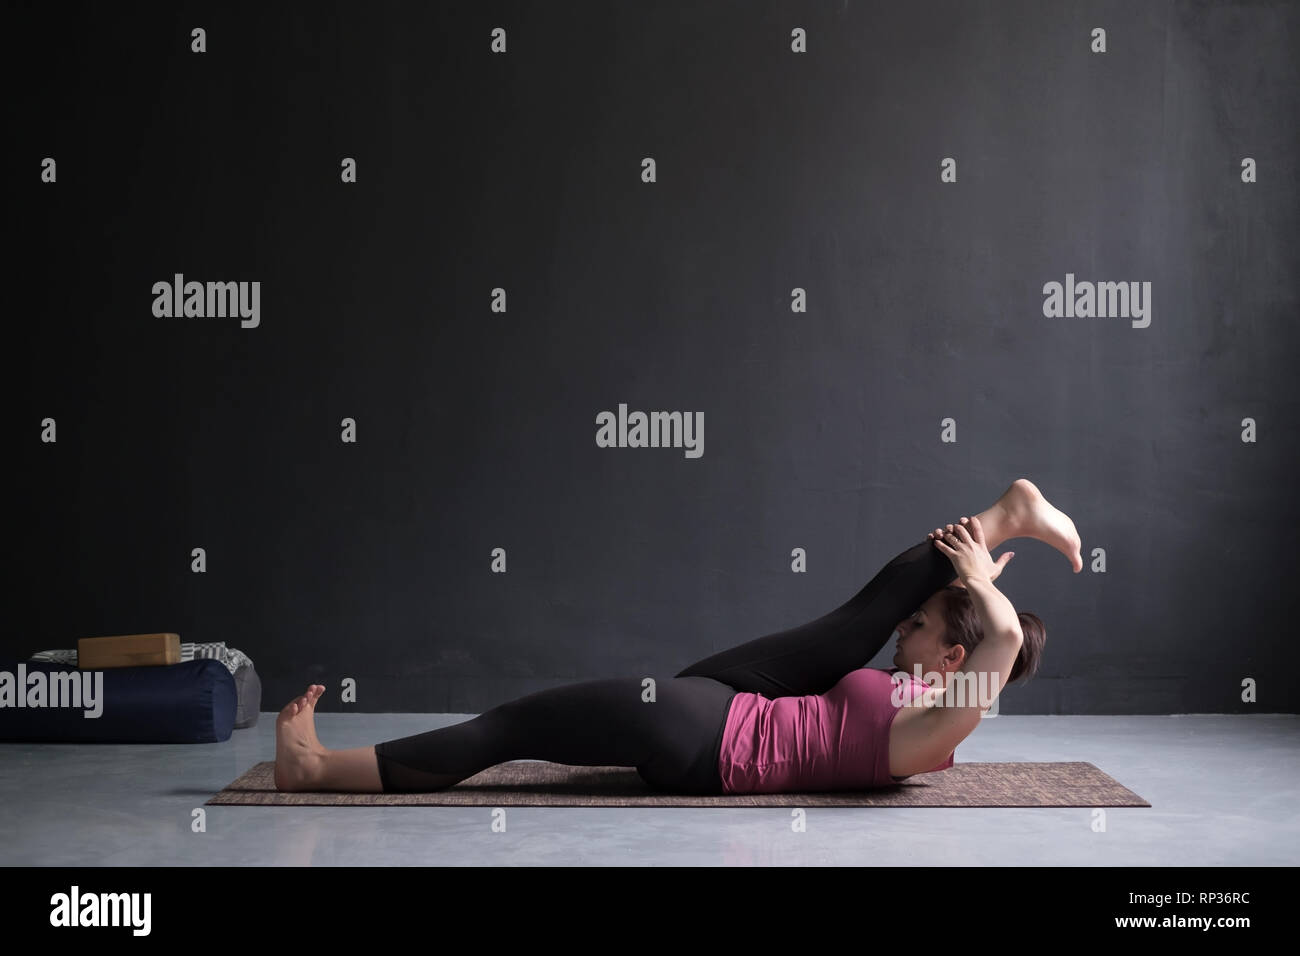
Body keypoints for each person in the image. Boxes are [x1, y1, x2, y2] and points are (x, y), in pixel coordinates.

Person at [274, 478, 1081, 794]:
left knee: (511, 728)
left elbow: (1001, 643)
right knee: (851, 624)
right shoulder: (922, 694)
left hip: (708, 737)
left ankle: (314, 769)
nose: (903, 629)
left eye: (922, 627)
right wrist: (970, 586)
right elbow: (969, 637)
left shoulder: (942, 723)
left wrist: (979, 590)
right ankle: (1007, 513)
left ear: (953, 659)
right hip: (725, 708)